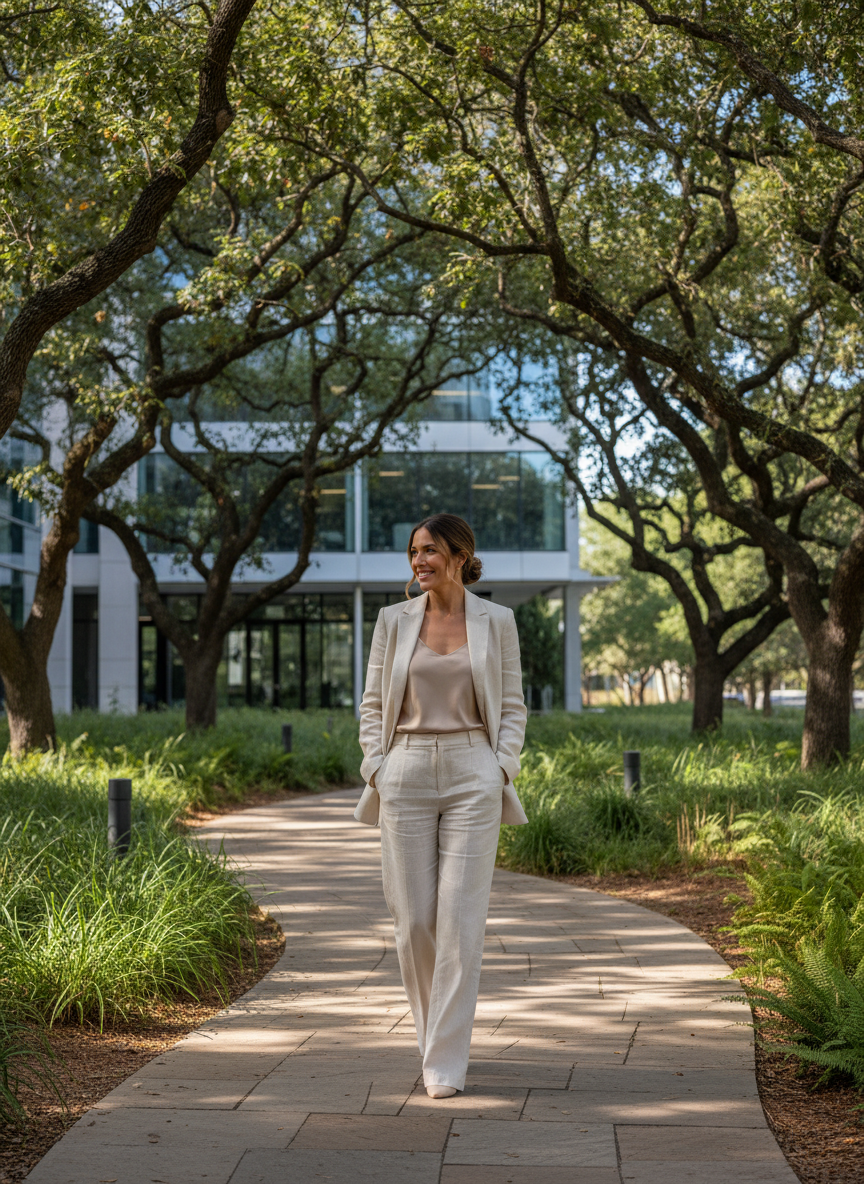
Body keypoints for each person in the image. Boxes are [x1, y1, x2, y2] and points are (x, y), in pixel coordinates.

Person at [355, 513, 528, 1098]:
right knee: (414, 922)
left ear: (459, 555)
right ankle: (434, 1036)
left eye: (429, 550)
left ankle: (445, 1061)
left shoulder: (496, 620)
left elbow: (513, 705)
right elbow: (372, 702)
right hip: (403, 769)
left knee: (459, 921)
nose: (418, 561)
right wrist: (376, 766)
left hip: (472, 769)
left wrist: (500, 767)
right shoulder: (392, 620)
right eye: (413, 552)